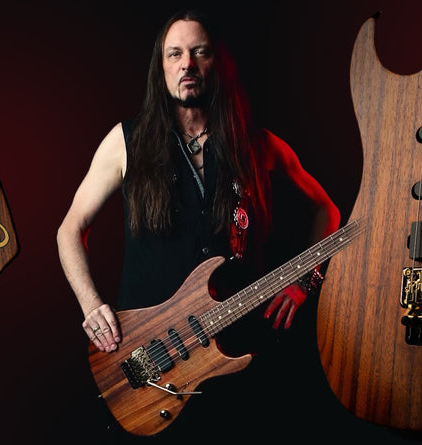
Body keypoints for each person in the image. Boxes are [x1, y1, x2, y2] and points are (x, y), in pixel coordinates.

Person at [56, 9, 340, 442]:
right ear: (163, 68)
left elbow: (327, 210)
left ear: (216, 63)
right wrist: (90, 305)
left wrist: (304, 282)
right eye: (175, 54)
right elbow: (69, 229)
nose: (187, 63)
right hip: (150, 360)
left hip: (240, 359)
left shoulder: (257, 144)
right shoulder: (126, 141)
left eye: (199, 51)